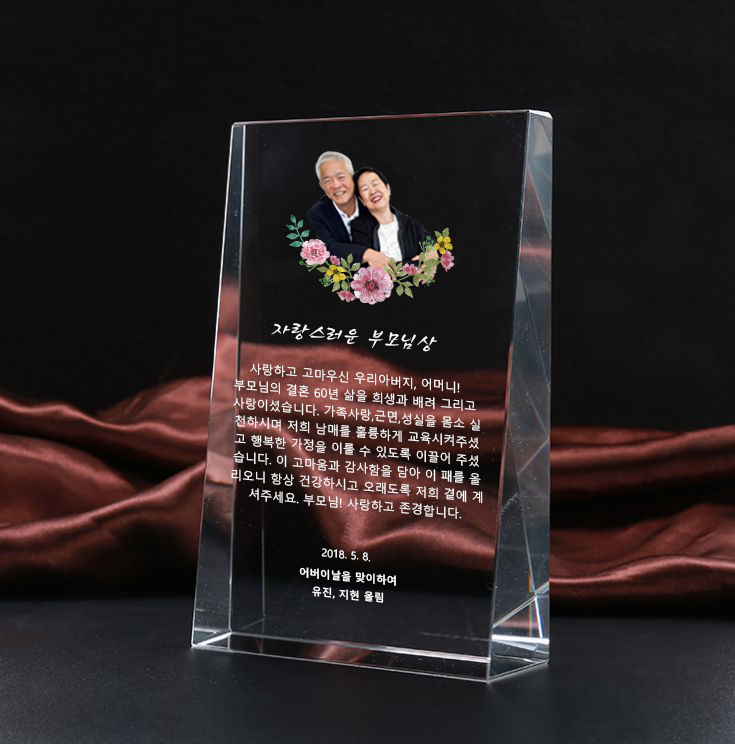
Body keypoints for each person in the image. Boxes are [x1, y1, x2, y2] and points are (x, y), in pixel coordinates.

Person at [350, 167, 434, 269]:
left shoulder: (411, 225)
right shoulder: (358, 228)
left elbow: (430, 253)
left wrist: (430, 256)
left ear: (388, 188)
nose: (372, 191)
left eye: (375, 184)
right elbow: (367, 269)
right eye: (365, 189)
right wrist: (413, 267)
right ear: (361, 200)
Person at [306, 151, 368, 263]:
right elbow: (328, 250)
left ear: (353, 178)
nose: (336, 185)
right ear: (322, 186)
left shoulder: (370, 201)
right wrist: (366, 254)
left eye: (341, 177)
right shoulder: (316, 214)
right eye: (328, 181)